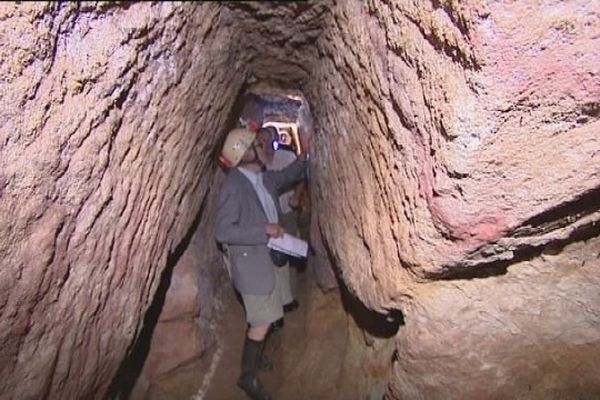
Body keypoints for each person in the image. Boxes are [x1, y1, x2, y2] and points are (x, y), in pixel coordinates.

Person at [215, 127, 309, 400]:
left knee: (265, 316)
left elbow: (287, 175)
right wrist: (262, 230)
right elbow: (223, 231)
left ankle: (256, 360)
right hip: (253, 264)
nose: (263, 147)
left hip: (268, 258)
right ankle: (247, 377)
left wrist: (305, 154)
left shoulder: (260, 177)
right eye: (257, 145)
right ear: (245, 153)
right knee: (262, 320)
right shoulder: (234, 186)